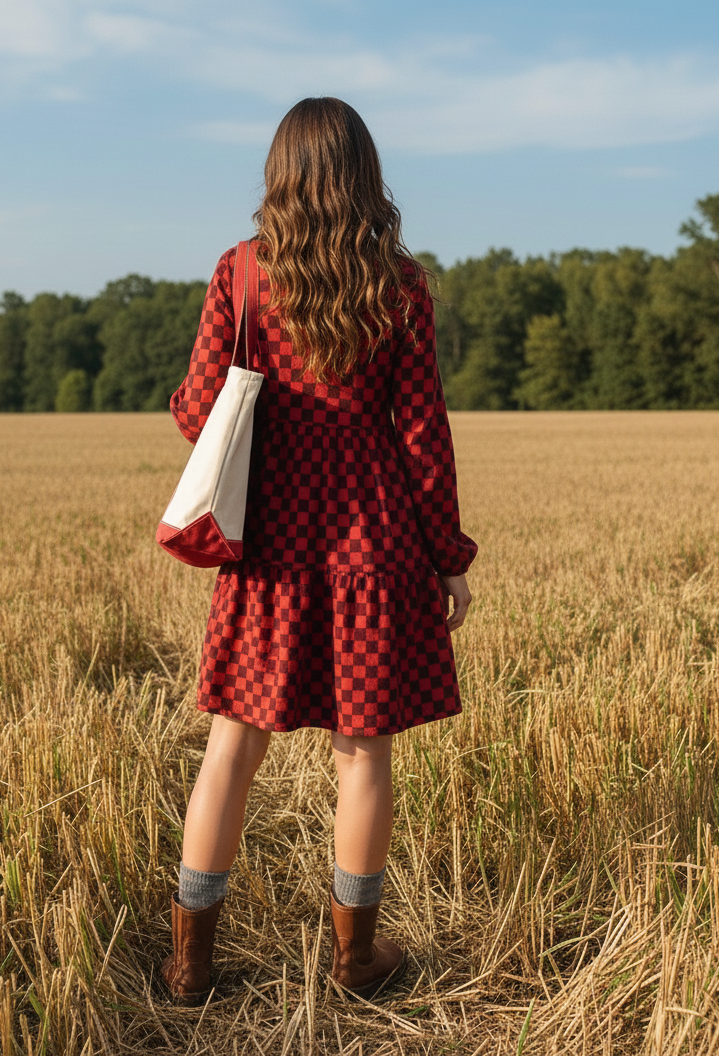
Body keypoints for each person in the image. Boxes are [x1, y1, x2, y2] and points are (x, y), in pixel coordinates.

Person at [160, 97, 477, 1005]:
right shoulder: (400, 285)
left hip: (268, 544)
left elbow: (193, 410)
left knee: (231, 746)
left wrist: (253, 413)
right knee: (362, 754)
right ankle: (355, 961)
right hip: (372, 538)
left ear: (281, 174)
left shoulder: (244, 274)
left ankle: (189, 963)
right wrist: (445, 552)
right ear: (363, 175)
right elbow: (421, 433)